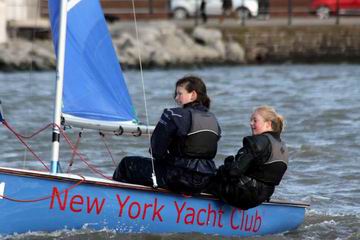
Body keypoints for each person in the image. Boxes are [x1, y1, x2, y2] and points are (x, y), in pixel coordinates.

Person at [113, 75, 221, 195]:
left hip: (180, 178)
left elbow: (156, 151)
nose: (176, 98)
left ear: (193, 95)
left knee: (127, 164)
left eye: (180, 94)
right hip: (206, 178)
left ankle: (119, 204)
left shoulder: (172, 114)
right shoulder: (213, 119)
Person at [211, 106, 288, 210]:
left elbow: (234, 171)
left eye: (255, 120)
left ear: (268, 124)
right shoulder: (282, 146)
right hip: (263, 196)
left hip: (243, 195)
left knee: (207, 178)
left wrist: (226, 167)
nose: (251, 123)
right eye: (251, 120)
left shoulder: (257, 142)